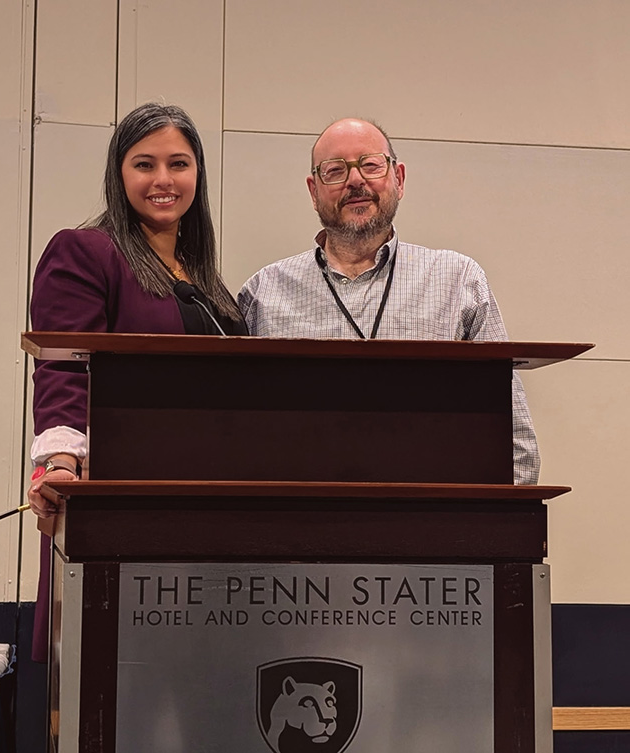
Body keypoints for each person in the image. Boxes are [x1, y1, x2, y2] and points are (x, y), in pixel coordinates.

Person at [27, 102, 247, 659]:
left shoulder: (205, 281)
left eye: (179, 164)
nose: (164, 181)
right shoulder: (87, 252)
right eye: (143, 164)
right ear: (117, 174)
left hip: (210, 505)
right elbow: (62, 365)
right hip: (125, 506)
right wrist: (61, 461)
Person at [238, 118, 539, 485]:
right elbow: (235, 433)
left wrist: (496, 529)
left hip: (431, 526)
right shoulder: (263, 292)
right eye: (335, 170)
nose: (355, 181)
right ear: (313, 190)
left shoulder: (457, 280)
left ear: (399, 177)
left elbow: (511, 433)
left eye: (370, 165)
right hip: (298, 524)